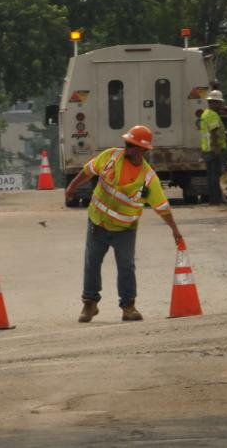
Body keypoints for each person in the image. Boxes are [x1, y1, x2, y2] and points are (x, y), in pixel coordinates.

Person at [64, 125, 183, 323]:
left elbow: (162, 207)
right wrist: (72, 186)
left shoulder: (148, 178)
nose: (127, 147)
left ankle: (128, 306)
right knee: (92, 263)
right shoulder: (110, 157)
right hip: (97, 222)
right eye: (127, 143)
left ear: (143, 150)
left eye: (132, 145)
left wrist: (175, 231)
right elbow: (88, 170)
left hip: (125, 229)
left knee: (126, 267)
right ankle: (89, 304)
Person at [200, 90, 227, 205]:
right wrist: (216, 148)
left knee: (211, 175)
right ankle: (217, 199)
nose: (221, 105)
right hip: (213, 149)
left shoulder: (205, 113)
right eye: (219, 102)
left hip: (206, 149)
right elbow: (213, 132)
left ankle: (213, 199)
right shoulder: (213, 115)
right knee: (215, 175)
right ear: (214, 102)